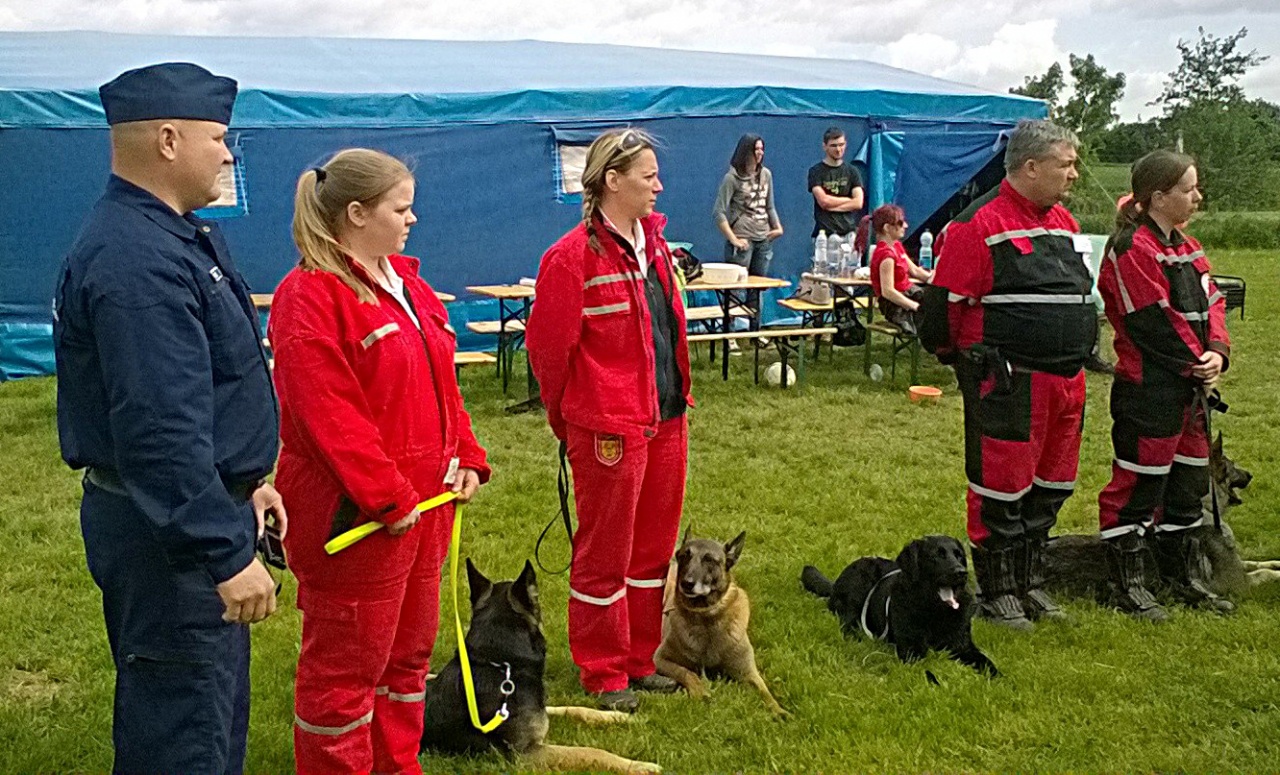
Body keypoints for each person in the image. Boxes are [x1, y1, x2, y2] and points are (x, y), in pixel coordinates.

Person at [53, 62, 283, 773]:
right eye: (217, 138)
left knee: (207, 720)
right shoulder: (138, 259)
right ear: (168, 140)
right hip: (170, 538)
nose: (228, 154)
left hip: (190, 515)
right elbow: (158, 429)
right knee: (183, 736)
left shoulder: (168, 235)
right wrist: (222, 549)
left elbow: (206, 391)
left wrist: (246, 484)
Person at [268, 148, 490, 774]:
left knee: (407, 661)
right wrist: (386, 496)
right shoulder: (309, 297)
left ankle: (398, 764)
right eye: (401, 208)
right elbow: (328, 415)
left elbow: (442, 387)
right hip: (358, 519)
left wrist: (467, 455)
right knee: (345, 672)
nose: (413, 219)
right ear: (357, 214)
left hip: (422, 512)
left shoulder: (409, 286)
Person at [526, 128, 692, 714]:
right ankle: (602, 670)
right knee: (605, 554)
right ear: (612, 181)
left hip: (666, 420)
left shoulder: (658, 248)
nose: (659, 186)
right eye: (649, 176)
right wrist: (570, 420)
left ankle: (640, 659)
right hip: (608, 430)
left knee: (652, 552)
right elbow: (548, 352)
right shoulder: (570, 258)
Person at [923, 119, 1097, 631]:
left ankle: (1031, 582)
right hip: (1010, 383)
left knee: (1052, 484)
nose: (1074, 174)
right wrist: (967, 363)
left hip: (1066, 383)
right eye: (1066, 164)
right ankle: (998, 591)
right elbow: (942, 312)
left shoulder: (1064, 222)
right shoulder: (977, 225)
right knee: (1001, 488)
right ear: (1031, 166)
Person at [1096, 150, 1234, 620]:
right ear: (1158, 196)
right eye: (1189, 189)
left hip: (1190, 390)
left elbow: (1214, 301)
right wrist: (1196, 363)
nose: (1198, 197)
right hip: (1149, 389)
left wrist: (1218, 351)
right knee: (1139, 486)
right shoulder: (1131, 248)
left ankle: (1180, 577)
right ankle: (1128, 585)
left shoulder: (1189, 246)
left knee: (1188, 485)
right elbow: (1150, 319)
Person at [713, 133, 783, 277]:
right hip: (742, 239)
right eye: (756, 149)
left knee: (758, 285)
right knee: (738, 285)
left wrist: (777, 227)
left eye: (762, 149)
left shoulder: (766, 174)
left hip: (763, 239)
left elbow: (769, 206)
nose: (760, 153)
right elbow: (718, 212)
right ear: (746, 151)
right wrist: (733, 239)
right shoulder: (732, 178)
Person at [857, 204, 933, 335]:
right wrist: (914, 306)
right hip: (895, 305)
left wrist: (937, 279)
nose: (906, 226)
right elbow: (888, 291)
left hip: (909, 293)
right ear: (887, 228)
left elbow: (915, 271)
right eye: (900, 223)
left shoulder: (896, 246)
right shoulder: (886, 255)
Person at [807, 126, 865, 238]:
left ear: (845, 144)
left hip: (849, 233)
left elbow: (858, 203)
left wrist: (833, 206)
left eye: (841, 145)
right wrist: (848, 200)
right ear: (825, 146)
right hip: (824, 235)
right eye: (833, 145)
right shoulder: (816, 171)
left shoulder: (852, 171)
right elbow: (823, 201)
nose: (838, 149)